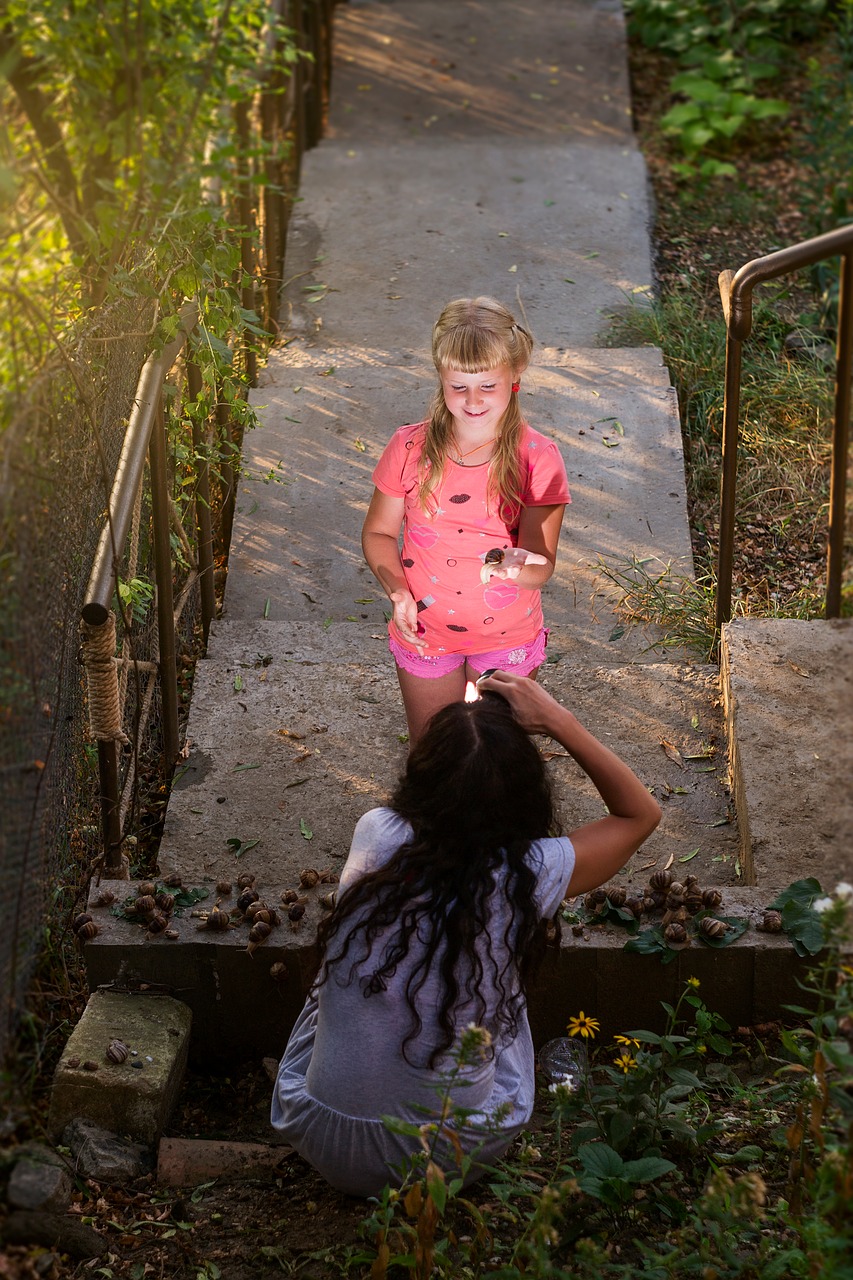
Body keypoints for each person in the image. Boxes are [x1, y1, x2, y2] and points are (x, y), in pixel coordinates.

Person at [270, 671, 662, 1198]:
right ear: (528, 792)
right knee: (497, 992)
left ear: (420, 775)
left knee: (346, 977)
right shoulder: (533, 870)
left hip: (319, 1133)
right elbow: (641, 814)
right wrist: (557, 720)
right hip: (450, 1157)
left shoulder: (375, 832)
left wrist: (465, 727)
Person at [362, 296, 571, 745]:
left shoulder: (538, 458)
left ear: (514, 376)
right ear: (441, 378)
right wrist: (397, 590)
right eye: (459, 386)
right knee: (433, 752)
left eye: (487, 386)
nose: (473, 401)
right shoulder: (408, 448)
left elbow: (540, 569)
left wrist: (518, 562)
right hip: (424, 632)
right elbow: (379, 532)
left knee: (498, 756)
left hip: (507, 638)